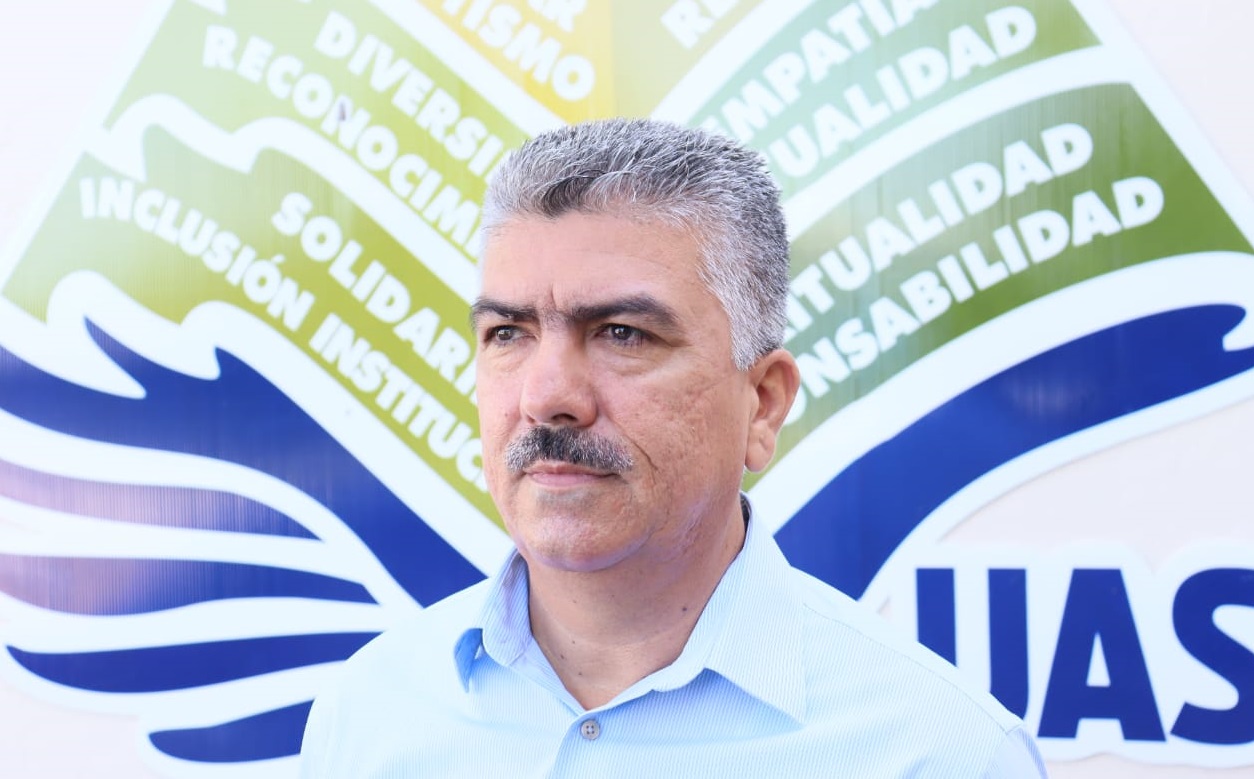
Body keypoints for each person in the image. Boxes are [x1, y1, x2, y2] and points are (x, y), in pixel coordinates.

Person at [300, 118, 1048, 777]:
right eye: (508, 333)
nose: (545, 396)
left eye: (622, 333)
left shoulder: (937, 754)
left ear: (762, 403)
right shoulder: (369, 716)